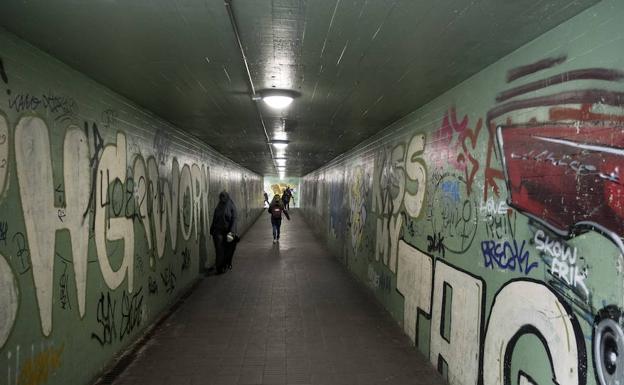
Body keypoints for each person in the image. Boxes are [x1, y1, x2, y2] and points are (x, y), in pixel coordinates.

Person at [209, 191, 238, 274]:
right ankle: (219, 267)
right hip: (218, 231)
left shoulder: (231, 206)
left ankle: (224, 265)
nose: (222, 198)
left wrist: (232, 232)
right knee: (219, 250)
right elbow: (215, 218)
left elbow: (234, 219)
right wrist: (212, 228)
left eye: (223, 197)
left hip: (228, 232)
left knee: (226, 249)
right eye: (221, 197)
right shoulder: (219, 206)